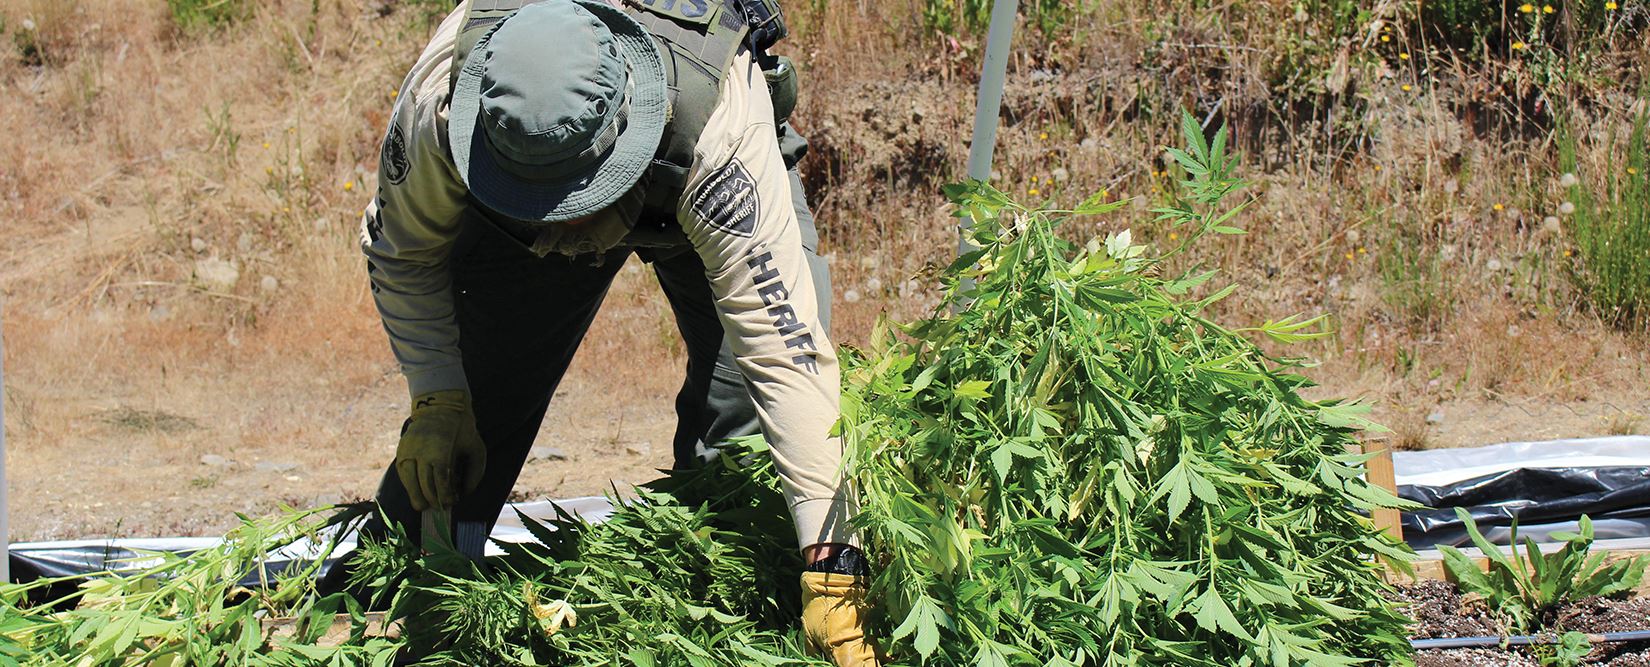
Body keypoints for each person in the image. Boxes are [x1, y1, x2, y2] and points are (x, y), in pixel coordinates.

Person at [336, 0, 879, 663]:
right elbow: (402, 253)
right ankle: (396, 591)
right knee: (469, 416)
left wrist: (834, 568)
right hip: (514, 206)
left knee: (748, 430)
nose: (565, 232)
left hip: (680, 174)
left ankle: (733, 614)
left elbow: (786, 356)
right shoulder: (442, 106)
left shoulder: (717, 132)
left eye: (576, 208)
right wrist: (436, 395)